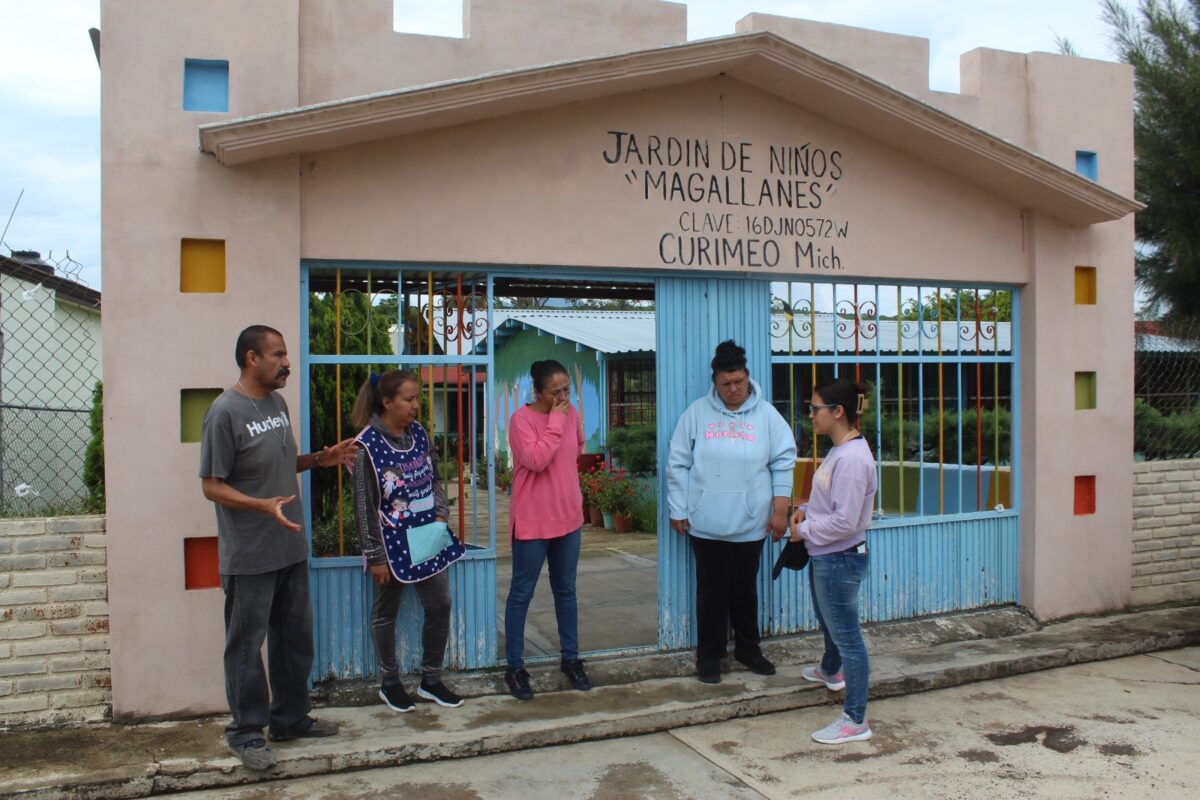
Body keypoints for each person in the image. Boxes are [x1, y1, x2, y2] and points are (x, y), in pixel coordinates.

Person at [199, 325, 356, 771]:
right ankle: (247, 733)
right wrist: (259, 505)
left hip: (289, 546)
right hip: (250, 554)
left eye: (286, 355)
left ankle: (290, 718)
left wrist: (319, 461)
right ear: (252, 357)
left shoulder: (277, 403)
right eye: (279, 355)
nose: (287, 363)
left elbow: (282, 464)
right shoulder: (224, 412)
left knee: (295, 640)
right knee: (247, 648)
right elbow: (211, 485)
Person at [667, 340, 797, 684]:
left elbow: (784, 460)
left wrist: (780, 511)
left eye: (738, 381)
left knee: (744, 589)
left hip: (752, 523)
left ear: (747, 376)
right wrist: (678, 508)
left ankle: (748, 649)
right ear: (715, 381)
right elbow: (678, 463)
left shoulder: (767, 416)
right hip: (705, 524)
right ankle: (709, 656)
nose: (733, 389)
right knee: (711, 591)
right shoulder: (696, 413)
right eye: (725, 384)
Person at [349, 369, 466, 713]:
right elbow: (363, 507)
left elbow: (435, 479)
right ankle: (390, 683)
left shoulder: (418, 433)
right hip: (392, 543)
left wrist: (441, 515)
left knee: (440, 603)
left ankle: (431, 680)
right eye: (409, 399)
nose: (417, 405)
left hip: (428, 535)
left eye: (418, 397)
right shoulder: (366, 447)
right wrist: (375, 556)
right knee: (386, 612)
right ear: (387, 403)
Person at [786, 377, 877, 745]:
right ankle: (829, 670)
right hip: (826, 555)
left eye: (815, 408)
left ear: (837, 412)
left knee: (848, 637)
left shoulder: (853, 459)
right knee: (830, 622)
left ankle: (855, 719)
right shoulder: (841, 451)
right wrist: (805, 510)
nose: (810, 415)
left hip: (839, 558)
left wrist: (803, 530)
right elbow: (829, 503)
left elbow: (847, 521)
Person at [503, 359, 591, 700]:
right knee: (521, 593)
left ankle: (571, 659)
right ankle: (515, 667)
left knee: (566, 590)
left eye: (567, 390)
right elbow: (536, 459)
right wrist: (556, 419)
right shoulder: (520, 420)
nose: (564, 397)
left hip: (568, 516)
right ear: (538, 391)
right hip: (533, 519)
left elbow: (577, 448)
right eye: (555, 392)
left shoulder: (572, 415)